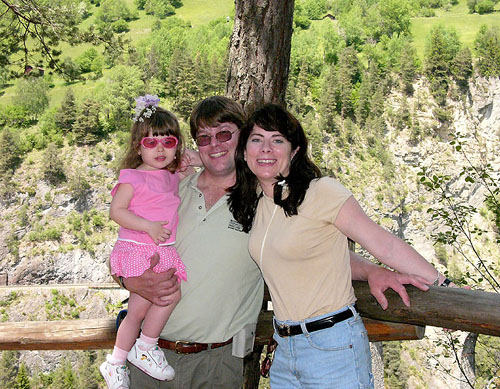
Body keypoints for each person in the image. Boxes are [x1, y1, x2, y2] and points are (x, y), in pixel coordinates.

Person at [117, 96, 432, 389]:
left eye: (225, 135)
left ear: (241, 139)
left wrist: (372, 271)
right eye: (204, 138)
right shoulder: (170, 188)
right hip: (149, 355)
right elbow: (123, 248)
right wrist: (127, 278)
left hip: (218, 361)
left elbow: (313, 246)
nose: (214, 146)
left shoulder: (262, 198)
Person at [228, 103, 453, 388]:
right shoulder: (258, 202)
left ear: (294, 151)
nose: (266, 149)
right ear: (245, 151)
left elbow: (384, 243)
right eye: (257, 139)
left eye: (278, 140)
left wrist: (443, 285)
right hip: (284, 351)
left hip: (332, 346)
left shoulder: (320, 191)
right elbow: (322, 252)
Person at [101, 95, 200, 389]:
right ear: (137, 147)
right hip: (140, 250)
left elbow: (194, 167)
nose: (160, 149)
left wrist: (186, 159)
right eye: (151, 143)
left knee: (170, 296)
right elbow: (116, 211)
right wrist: (147, 227)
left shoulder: (170, 176)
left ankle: (145, 345)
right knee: (138, 309)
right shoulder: (133, 178)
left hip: (162, 250)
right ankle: (117, 361)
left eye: (168, 142)